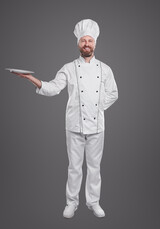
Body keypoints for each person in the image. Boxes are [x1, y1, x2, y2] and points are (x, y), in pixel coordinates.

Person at [12, 19, 118, 218]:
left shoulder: (105, 69)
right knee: (74, 167)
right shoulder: (69, 68)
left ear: (95, 43)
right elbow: (53, 88)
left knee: (95, 167)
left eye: (90, 41)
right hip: (74, 125)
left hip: (97, 127)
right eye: (83, 41)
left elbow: (113, 94)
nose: (86, 44)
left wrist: (97, 108)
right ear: (78, 44)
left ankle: (93, 202)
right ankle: (72, 202)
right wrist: (30, 78)